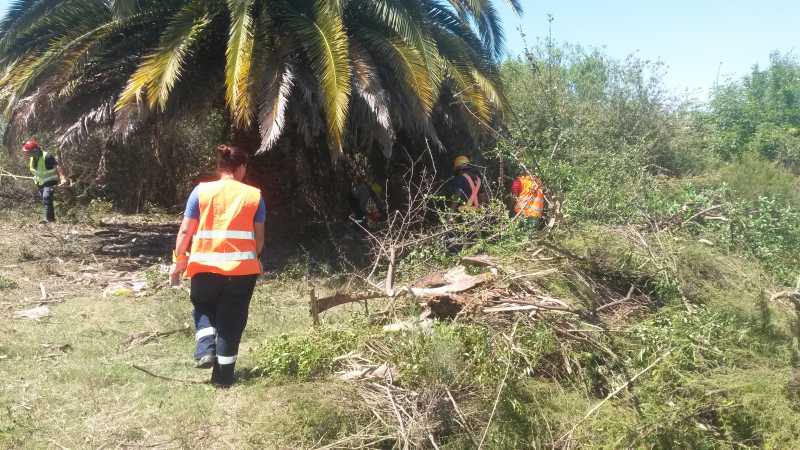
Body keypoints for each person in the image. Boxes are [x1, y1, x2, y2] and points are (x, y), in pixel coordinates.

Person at [169, 144, 266, 388]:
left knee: (203, 307)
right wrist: (254, 257)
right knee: (231, 322)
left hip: (204, 267)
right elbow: (259, 239)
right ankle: (223, 379)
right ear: (241, 168)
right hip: (241, 272)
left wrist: (178, 261)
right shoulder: (254, 196)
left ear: (219, 166)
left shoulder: (200, 192)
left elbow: (185, 231)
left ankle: (205, 349)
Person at [22, 138, 67, 223]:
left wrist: (62, 178)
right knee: (45, 199)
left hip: (50, 180)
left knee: (46, 197)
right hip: (40, 182)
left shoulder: (47, 156)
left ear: (34, 150)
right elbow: (37, 170)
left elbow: (57, 166)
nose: (27, 154)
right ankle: (50, 219)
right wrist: (36, 176)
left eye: (28, 152)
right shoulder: (32, 158)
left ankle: (49, 220)